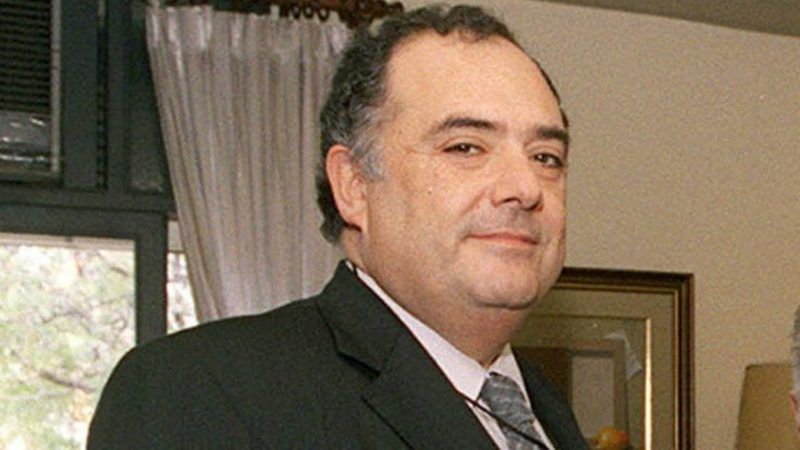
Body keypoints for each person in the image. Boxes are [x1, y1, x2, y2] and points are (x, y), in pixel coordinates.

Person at [88, 4, 587, 449]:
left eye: (546, 156)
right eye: (465, 147)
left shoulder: (541, 408)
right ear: (353, 185)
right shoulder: (200, 392)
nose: (526, 187)